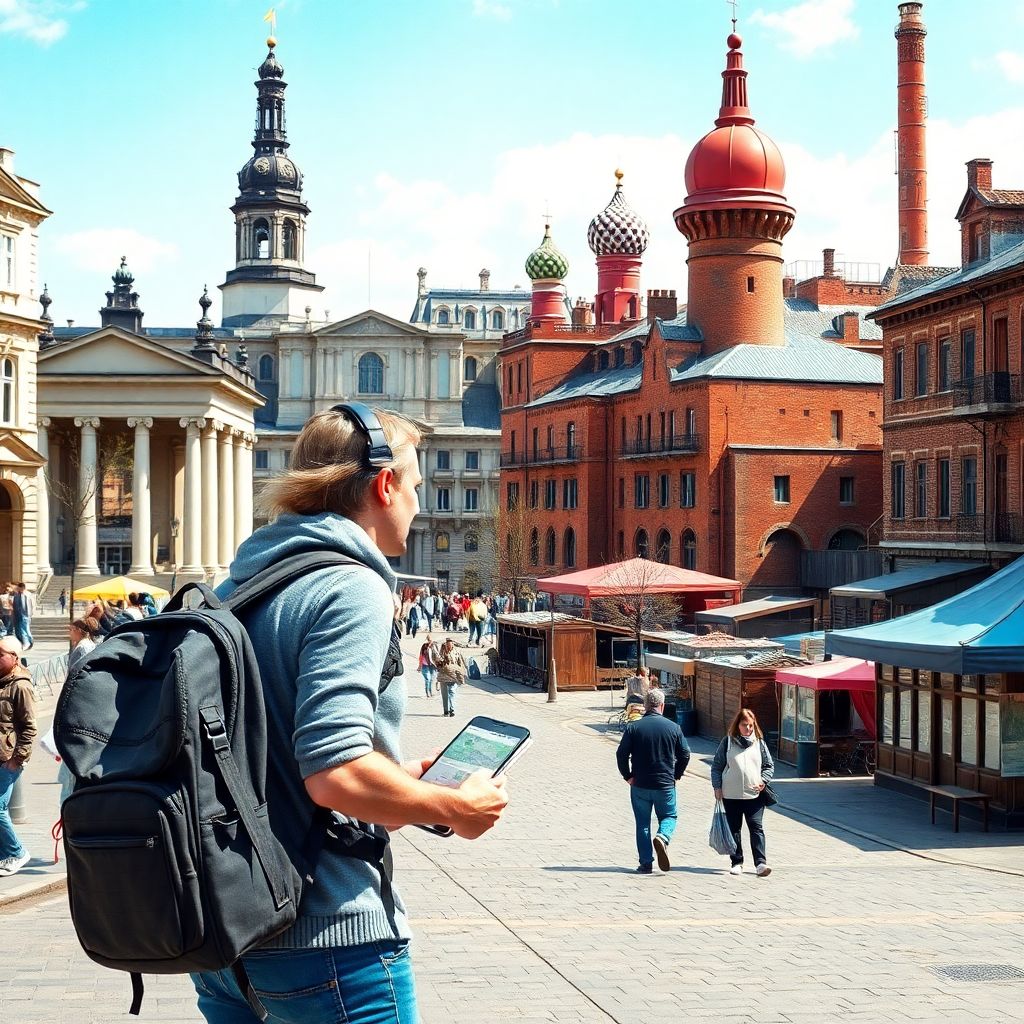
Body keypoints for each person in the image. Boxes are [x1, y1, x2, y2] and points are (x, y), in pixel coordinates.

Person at [191, 404, 507, 1024]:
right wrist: (455, 809)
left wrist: (400, 780)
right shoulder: (351, 585)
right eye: (415, 484)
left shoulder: (238, 587)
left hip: (227, 941)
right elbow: (333, 772)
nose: (417, 502)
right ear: (384, 485)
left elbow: (276, 757)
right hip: (326, 937)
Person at [616, 686, 690, 874]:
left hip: (640, 784)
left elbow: (621, 754)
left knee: (642, 823)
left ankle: (646, 863)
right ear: (662, 706)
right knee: (669, 816)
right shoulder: (674, 728)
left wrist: (628, 776)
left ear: (646, 706)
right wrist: (676, 774)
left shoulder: (633, 728)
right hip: (665, 784)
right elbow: (685, 754)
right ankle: (663, 837)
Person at [711, 707, 775, 878]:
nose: (748, 729)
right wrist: (717, 787)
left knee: (756, 827)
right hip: (731, 795)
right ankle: (737, 861)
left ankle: (760, 863)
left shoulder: (759, 743)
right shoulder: (728, 742)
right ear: (737, 725)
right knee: (734, 829)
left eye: (751, 726)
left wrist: (763, 780)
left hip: (754, 794)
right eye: (745, 725)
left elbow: (769, 766)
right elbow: (717, 767)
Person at [0, 636, 35, 876]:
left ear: (14, 658)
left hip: (7, 759)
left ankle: (17, 852)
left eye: (0, 654)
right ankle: (5, 855)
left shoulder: (20, 685)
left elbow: (30, 727)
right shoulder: (2, 682)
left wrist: (17, 760)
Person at [436, 636, 466, 718]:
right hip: (444, 675)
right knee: (445, 694)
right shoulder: (442, 652)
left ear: (453, 644)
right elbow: (437, 662)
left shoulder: (457, 651)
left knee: (452, 692)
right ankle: (446, 711)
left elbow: (461, 663)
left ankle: (452, 710)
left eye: (450, 643)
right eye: (447, 643)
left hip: (454, 675)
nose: (449, 645)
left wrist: (462, 673)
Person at [11, 582, 33, 650]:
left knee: (24, 629)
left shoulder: (27, 595)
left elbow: (30, 605)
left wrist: (30, 615)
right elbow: (14, 605)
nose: (17, 589)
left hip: (25, 615)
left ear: (22, 588)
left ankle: (27, 643)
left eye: (18, 588)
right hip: (17, 615)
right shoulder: (16, 595)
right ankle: (25, 641)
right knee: (18, 630)